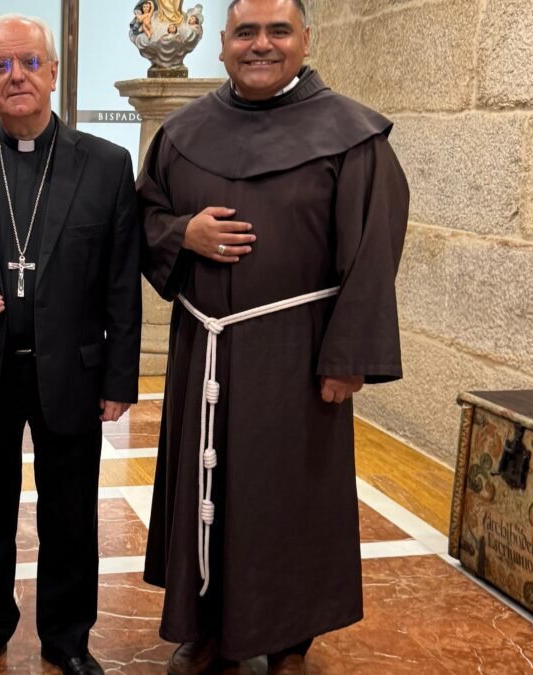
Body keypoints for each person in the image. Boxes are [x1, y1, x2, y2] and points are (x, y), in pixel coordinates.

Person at [137, 1, 409, 674]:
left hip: (297, 353)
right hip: (205, 348)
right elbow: (143, 218)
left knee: (290, 497)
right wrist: (184, 233)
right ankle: (205, 625)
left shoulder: (351, 135)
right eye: (246, 33)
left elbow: (374, 250)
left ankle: (290, 637)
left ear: (305, 40)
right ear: (223, 46)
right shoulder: (183, 132)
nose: (261, 45)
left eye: (277, 31)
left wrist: (348, 357)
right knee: (209, 488)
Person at [0, 13, 141, 675]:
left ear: (52, 72)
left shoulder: (105, 164)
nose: (16, 76)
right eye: (0, 66)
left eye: (29, 63)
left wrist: (119, 380)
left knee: (71, 516)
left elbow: (122, 281)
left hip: (70, 371)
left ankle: (67, 639)